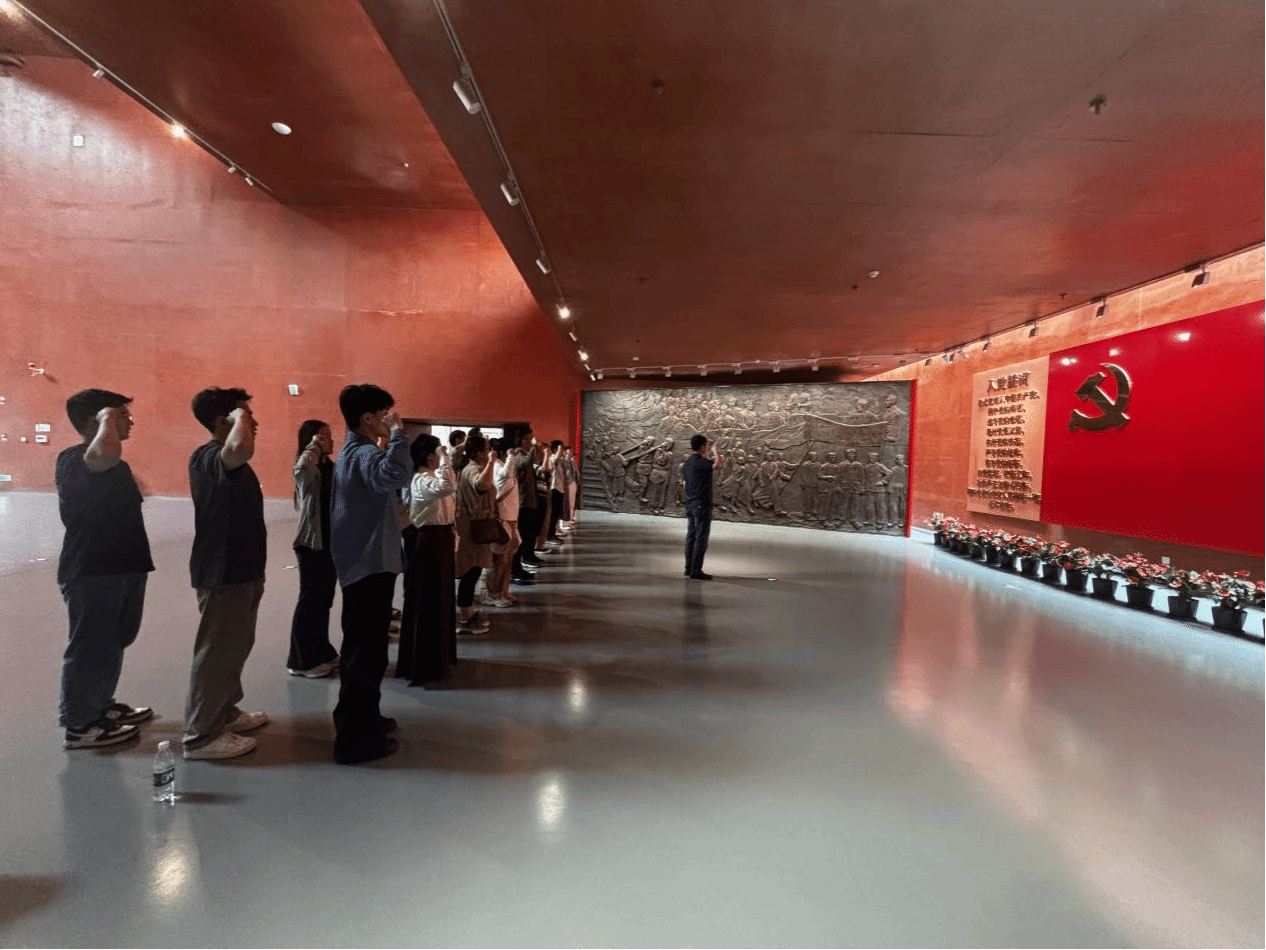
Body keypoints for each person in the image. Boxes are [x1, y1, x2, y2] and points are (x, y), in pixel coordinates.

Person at [55, 389, 155, 749]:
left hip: (124, 567)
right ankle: (80, 725)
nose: (130, 421)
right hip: (93, 571)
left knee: (113, 642)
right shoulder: (74, 458)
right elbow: (101, 456)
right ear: (96, 421)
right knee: (90, 646)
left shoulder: (115, 464)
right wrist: (107, 417)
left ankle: (100, 705)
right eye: (121, 415)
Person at [183, 388, 268, 761]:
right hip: (222, 571)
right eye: (247, 415)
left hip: (243, 570)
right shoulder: (208, 456)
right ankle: (201, 735)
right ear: (224, 420)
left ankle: (225, 711)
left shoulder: (228, 461)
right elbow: (240, 448)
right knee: (217, 652)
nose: (254, 422)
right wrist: (241, 419)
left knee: (236, 646)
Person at [329, 384, 411, 764]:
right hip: (368, 566)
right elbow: (395, 475)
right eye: (385, 414)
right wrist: (398, 434)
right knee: (365, 654)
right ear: (368, 418)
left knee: (367, 652)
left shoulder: (354, 452)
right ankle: (355, 740)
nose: (389, 419)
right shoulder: (363, 453)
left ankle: (365, 720)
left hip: (365, 564)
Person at [398, 434, 457, 684]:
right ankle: (424, 663)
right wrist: (446, 459)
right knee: (428, 601)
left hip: (442, 540)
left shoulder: (432, 477)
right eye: (438, 451)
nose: (442, 454)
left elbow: (450, 494)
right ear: (430, 456)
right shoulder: (421, 479)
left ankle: (440, 657)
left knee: (441, 599)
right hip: (429, 541)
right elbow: (447, 487)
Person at [287, 420, 339, 678]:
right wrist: (313, 446)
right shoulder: (308, 468)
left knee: (324, 600)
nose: (331, 440)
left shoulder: (330, 467)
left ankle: (321, 651)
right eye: (324, 436)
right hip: (312, 544)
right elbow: (302, 467)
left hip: (330, 543)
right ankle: (301, 661)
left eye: (329, 435)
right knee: (311, 601)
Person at [454, 434, 496, 634]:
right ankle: (465, 614)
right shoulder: (473, 469)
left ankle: (467, 608)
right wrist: (492, 462)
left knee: (475, 569)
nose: (489, 453)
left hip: (476, 526)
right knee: (471, 570)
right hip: (473, 528)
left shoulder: (472, 467)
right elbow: (482, 485)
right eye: (487, 450)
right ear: (479, 453)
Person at [683, 433, 724, 580]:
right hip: (702, 504)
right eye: (707, 445)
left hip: (690, 503)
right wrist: (715, 451)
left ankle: (688, 568)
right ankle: (696, 570)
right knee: (701, 537)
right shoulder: (703, 463)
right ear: (702, 447)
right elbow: (719, 465)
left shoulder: (687, 463)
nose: (708, 447)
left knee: (691, 536)